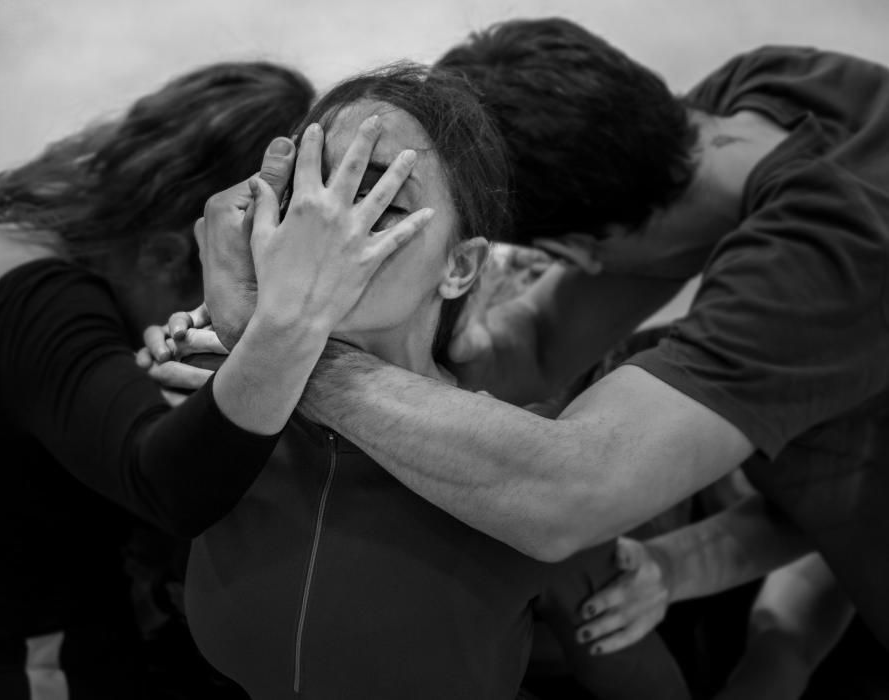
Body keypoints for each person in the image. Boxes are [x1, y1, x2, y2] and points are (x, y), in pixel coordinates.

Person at [172, 15, 889, 662]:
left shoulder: (842, 243)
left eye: (389, 213)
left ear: (568, 253)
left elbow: (567, 493)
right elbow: (541, 344)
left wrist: (277, 346)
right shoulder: (762, 92)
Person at [147, 63, 689, 700]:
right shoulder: (213, 391)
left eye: (379, 203)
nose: (324, 235)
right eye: (309, 196)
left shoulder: (525, 465)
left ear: (459, 268)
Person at [0, 61, 316, 699]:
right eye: (232, 281)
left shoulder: (37, 216)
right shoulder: (38, 295)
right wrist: (284, 339)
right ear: (169, 253)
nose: (218, 318)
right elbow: (167, 481)